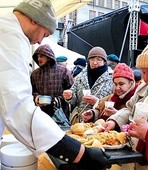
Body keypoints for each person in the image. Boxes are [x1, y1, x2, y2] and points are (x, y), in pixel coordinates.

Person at [0, 0, 111, 169]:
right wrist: (78, 152)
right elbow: (17, 106)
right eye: (44, 34)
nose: (39, 42)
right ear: (34, 20)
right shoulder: (10, 36)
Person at [99, 26, 148, 170]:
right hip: (134, 158)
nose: (145, 78)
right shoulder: (144, 88)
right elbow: (129, 109)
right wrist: (114, 121)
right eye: (143, 72)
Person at [63, 46, 114, 124]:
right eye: (92, 59)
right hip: (80, 121)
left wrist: (97, 102)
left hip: (100, 122)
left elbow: (114, 102)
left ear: (104, 61)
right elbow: (74, 100)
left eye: (99, 60)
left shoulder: (111, 78)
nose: (94, 62)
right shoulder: (81, 76)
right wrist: (70, 96)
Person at [31, 44, 74, 119]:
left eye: (41, 56)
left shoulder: (63, 71)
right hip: (40, 114)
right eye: (37, 56)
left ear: (48, 56)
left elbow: (72, 90)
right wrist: (36, 97)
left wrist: (57, 100)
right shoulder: (35, 73)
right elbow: (31, 91)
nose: (39, 59)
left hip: (61, 114)